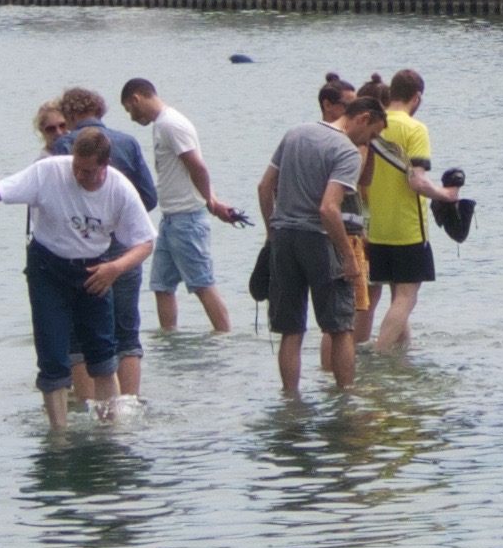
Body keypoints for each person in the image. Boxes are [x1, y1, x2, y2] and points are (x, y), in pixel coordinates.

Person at [0, 125, 156, 432]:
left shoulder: (119, 189)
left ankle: (108, 430)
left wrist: (115, 269)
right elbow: (2, 188)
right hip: (48, 269)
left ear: (105, 166)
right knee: (52, 357)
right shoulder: (50, 171)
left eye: (88, 171)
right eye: (77, 167)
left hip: (95, 270)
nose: (79, 175)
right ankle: (59, 436)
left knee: (103, 354)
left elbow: (145, 242)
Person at [251, 88, 367, 399]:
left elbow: (264, 187)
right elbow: (329, 209)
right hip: (319, 240)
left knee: (291, 329)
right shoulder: (347, 152)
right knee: (341, 327)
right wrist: (349, 257)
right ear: (364, 118)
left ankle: (290, 398)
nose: (369, 141)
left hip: (284, 238)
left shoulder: (295, 133)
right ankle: (346, 398)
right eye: (372, 132)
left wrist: (271, 231)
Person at [55, 85, 159, 399]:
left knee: (79, 336)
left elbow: (61, 198)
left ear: (71, 114)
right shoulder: (127, 142)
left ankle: (89, 411)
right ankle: (128, 406)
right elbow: (150, 198)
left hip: (84, 249)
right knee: (127, 333)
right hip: (126, 250)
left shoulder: (65, 145)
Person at [123, 78, 246, 332]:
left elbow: (197, 165)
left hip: (187, 218)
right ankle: (170, 342)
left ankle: (224, 336)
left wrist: (210, 202)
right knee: (161, 286)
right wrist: (212, 199)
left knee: (202, 283)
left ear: (136, 99)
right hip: (170, 219)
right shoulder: (161, 125)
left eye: (129, 109)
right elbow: (193, 169)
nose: (131, 117)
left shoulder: (171, 123)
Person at [362, 69, 440, 348]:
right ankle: (380, 354)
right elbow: (418, 182)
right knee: (407, 296)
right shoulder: (415, 128)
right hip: (407, 228)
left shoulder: (373, 123)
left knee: (397, 297)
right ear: (416, 97)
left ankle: (402, 354)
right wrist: (447, 196)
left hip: (378, 227)